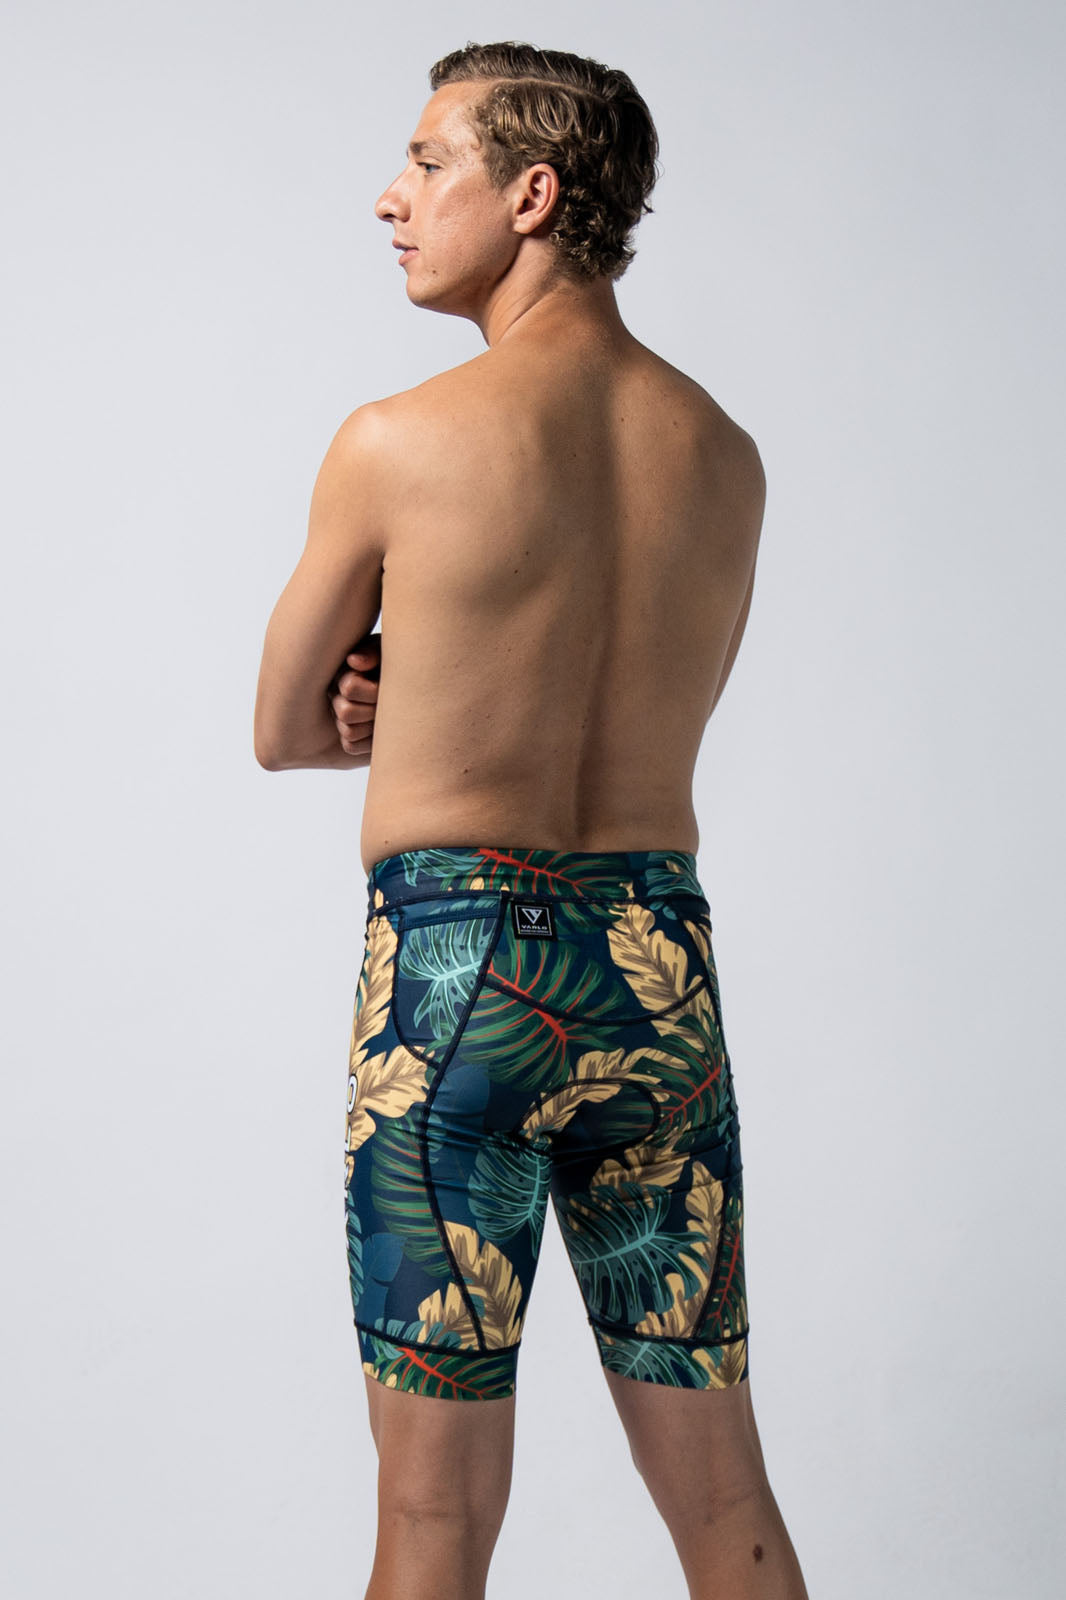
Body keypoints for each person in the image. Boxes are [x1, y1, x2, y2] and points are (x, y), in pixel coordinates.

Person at [253, 40, 809, 1600]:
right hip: (654, 974)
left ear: (533, 194)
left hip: (460, 987)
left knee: (433, 1521)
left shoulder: (397, 438)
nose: (392, 196)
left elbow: (282, 728)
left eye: (429, 161)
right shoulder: (724, 459)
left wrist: (378, 698)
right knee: (724, 1497)